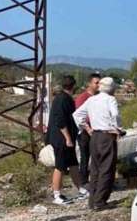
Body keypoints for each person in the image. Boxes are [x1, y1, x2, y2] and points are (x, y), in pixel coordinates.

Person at [73, 77, 122, 210]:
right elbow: (115, 115)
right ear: (111, 88)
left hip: (94, 136)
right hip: (107, 136)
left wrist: (87, 128)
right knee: (107, 168)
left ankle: (92, 200)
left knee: (95, 169)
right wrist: (117, 128)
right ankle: (100, 201)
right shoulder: (110, 99)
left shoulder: (91, 99)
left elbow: (77, 115)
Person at [46, 75, 89, 205]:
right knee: (60, 166)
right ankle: (57, 195)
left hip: (66, 138)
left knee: (73, 164)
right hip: (61, 139)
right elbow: (60, 121)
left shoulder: (65, 98)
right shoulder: (62, 99)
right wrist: (68, 138)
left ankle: (81, 189)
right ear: (73, 86)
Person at [74, 72, 101, 187]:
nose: (98, 85)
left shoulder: (99, 97)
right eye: (96, 83)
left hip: (97, 130)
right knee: (85, 157)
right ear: (90, 84)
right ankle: (83, 181)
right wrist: (87, 128)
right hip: (85, 132)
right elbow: (79, 116)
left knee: (97, 156)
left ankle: (96, 179)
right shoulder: (83, 98)